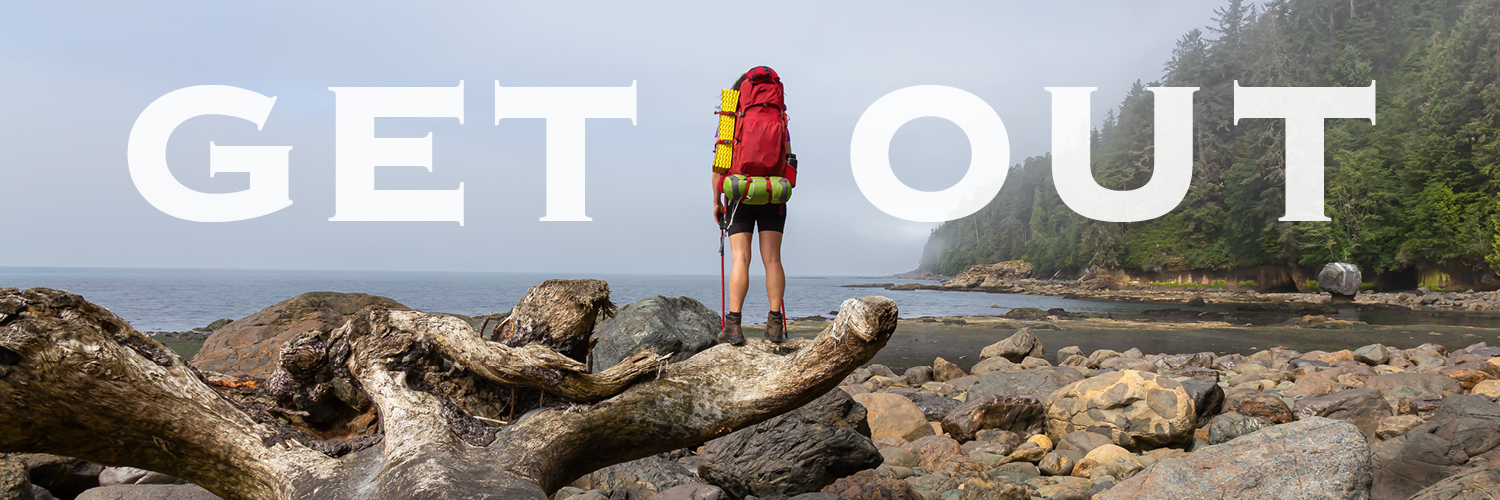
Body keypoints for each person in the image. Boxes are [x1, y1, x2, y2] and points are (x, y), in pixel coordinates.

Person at [713, 66, 794, 345]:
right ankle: (774, 325)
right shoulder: (779, 117)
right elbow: (788, 155)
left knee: (741, 259)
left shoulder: (729, 117)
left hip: (740, 192)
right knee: (772, 259)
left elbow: (719, 165)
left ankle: (734, 325)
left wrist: (716, 201)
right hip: (773, 192)